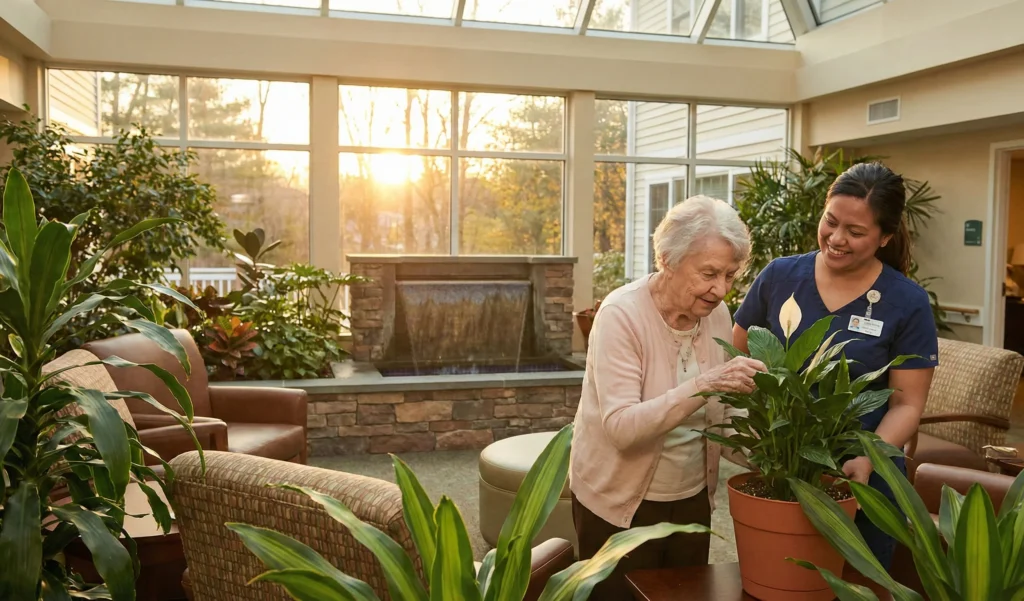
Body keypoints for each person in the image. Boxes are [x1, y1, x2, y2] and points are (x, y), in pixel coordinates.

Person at [733, 162, 938, 580]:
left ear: (885, 237)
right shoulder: (779, 277)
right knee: (781, 581)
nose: (837, 239)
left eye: (856, 232)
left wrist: (868, 456)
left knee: (857, 585)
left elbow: (906, 404)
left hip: (865, 476)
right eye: (831, 222)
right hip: (786, 471)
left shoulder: (907, 301)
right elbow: (738, 359)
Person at [570, 195, 766, 600]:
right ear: (668, 260)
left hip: (691, 500)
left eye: (730, 275)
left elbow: (721, 415)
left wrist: (773, 454)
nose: (720, 289)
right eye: (709, 273)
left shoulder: (716, 314)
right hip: (619, 506)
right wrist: (707, 383)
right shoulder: (621, 315)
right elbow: (622, 428)